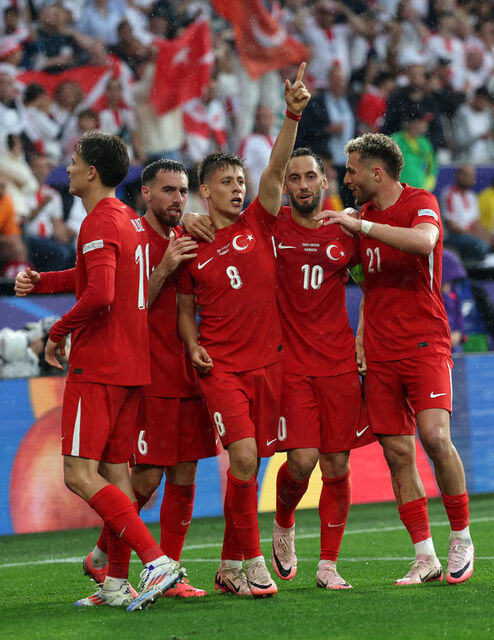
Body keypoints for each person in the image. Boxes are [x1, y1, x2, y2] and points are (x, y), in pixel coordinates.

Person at [14, 131, 186, 611]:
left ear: (91, 172)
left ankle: (156, 561)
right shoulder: (127, 219)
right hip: (132, 363)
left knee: (78, 473)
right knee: (115, 474)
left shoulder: (97, 221)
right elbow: (101, 275)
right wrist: (44, 282)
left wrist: (57, 331)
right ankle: (115, 583)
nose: (67, 168)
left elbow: (101, 293)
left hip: (100, 363)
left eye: (73, 161)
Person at [315, 132, 474, 586]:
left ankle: (461, 538)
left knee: (435, 437)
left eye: (351, 171)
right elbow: (369, 286)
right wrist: (361, 336)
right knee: (397, 452)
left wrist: (361, 228)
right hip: (381, 353)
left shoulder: (420, 202)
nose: (347, 179)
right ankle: (425, 556)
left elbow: (424, 242)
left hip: (425, 343)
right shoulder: (360, 217)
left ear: (376, 171)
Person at [177, 63, 310, 597]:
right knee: (244, 458)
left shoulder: (259, 221)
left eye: (240, 181)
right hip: (223, 368)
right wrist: (192, 345)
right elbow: (185, 310)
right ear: (204, 191)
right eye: (226, 183)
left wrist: (292, 115)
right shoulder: (189, 244)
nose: (238, 189)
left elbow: (275, 170)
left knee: (253, 466)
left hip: (270, 364)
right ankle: (253, 563)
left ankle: (229, 566)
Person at [83, 158, 218, 598]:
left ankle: (171, 576)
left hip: (186, 370)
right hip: (145, 373)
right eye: (168, 190)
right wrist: (163, 269)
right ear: (146, 193)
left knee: (185, 472)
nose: (177, 198)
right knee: (143, 480)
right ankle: (106, 559)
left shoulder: (185, 236)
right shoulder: (131, 236)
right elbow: (123, 307)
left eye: (183, 191)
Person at [270, 147, 374, 590]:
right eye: (294, 178)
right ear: (284, 185)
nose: (303, 185)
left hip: (338, 364)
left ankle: (328, 565)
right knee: (301, 460)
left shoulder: (345, 231)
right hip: (290, 365)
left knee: (335, 465)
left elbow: (372, 286)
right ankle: (283, 520)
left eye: (310, 176)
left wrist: (362, 335)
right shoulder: (272, 226)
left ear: (324, 181)